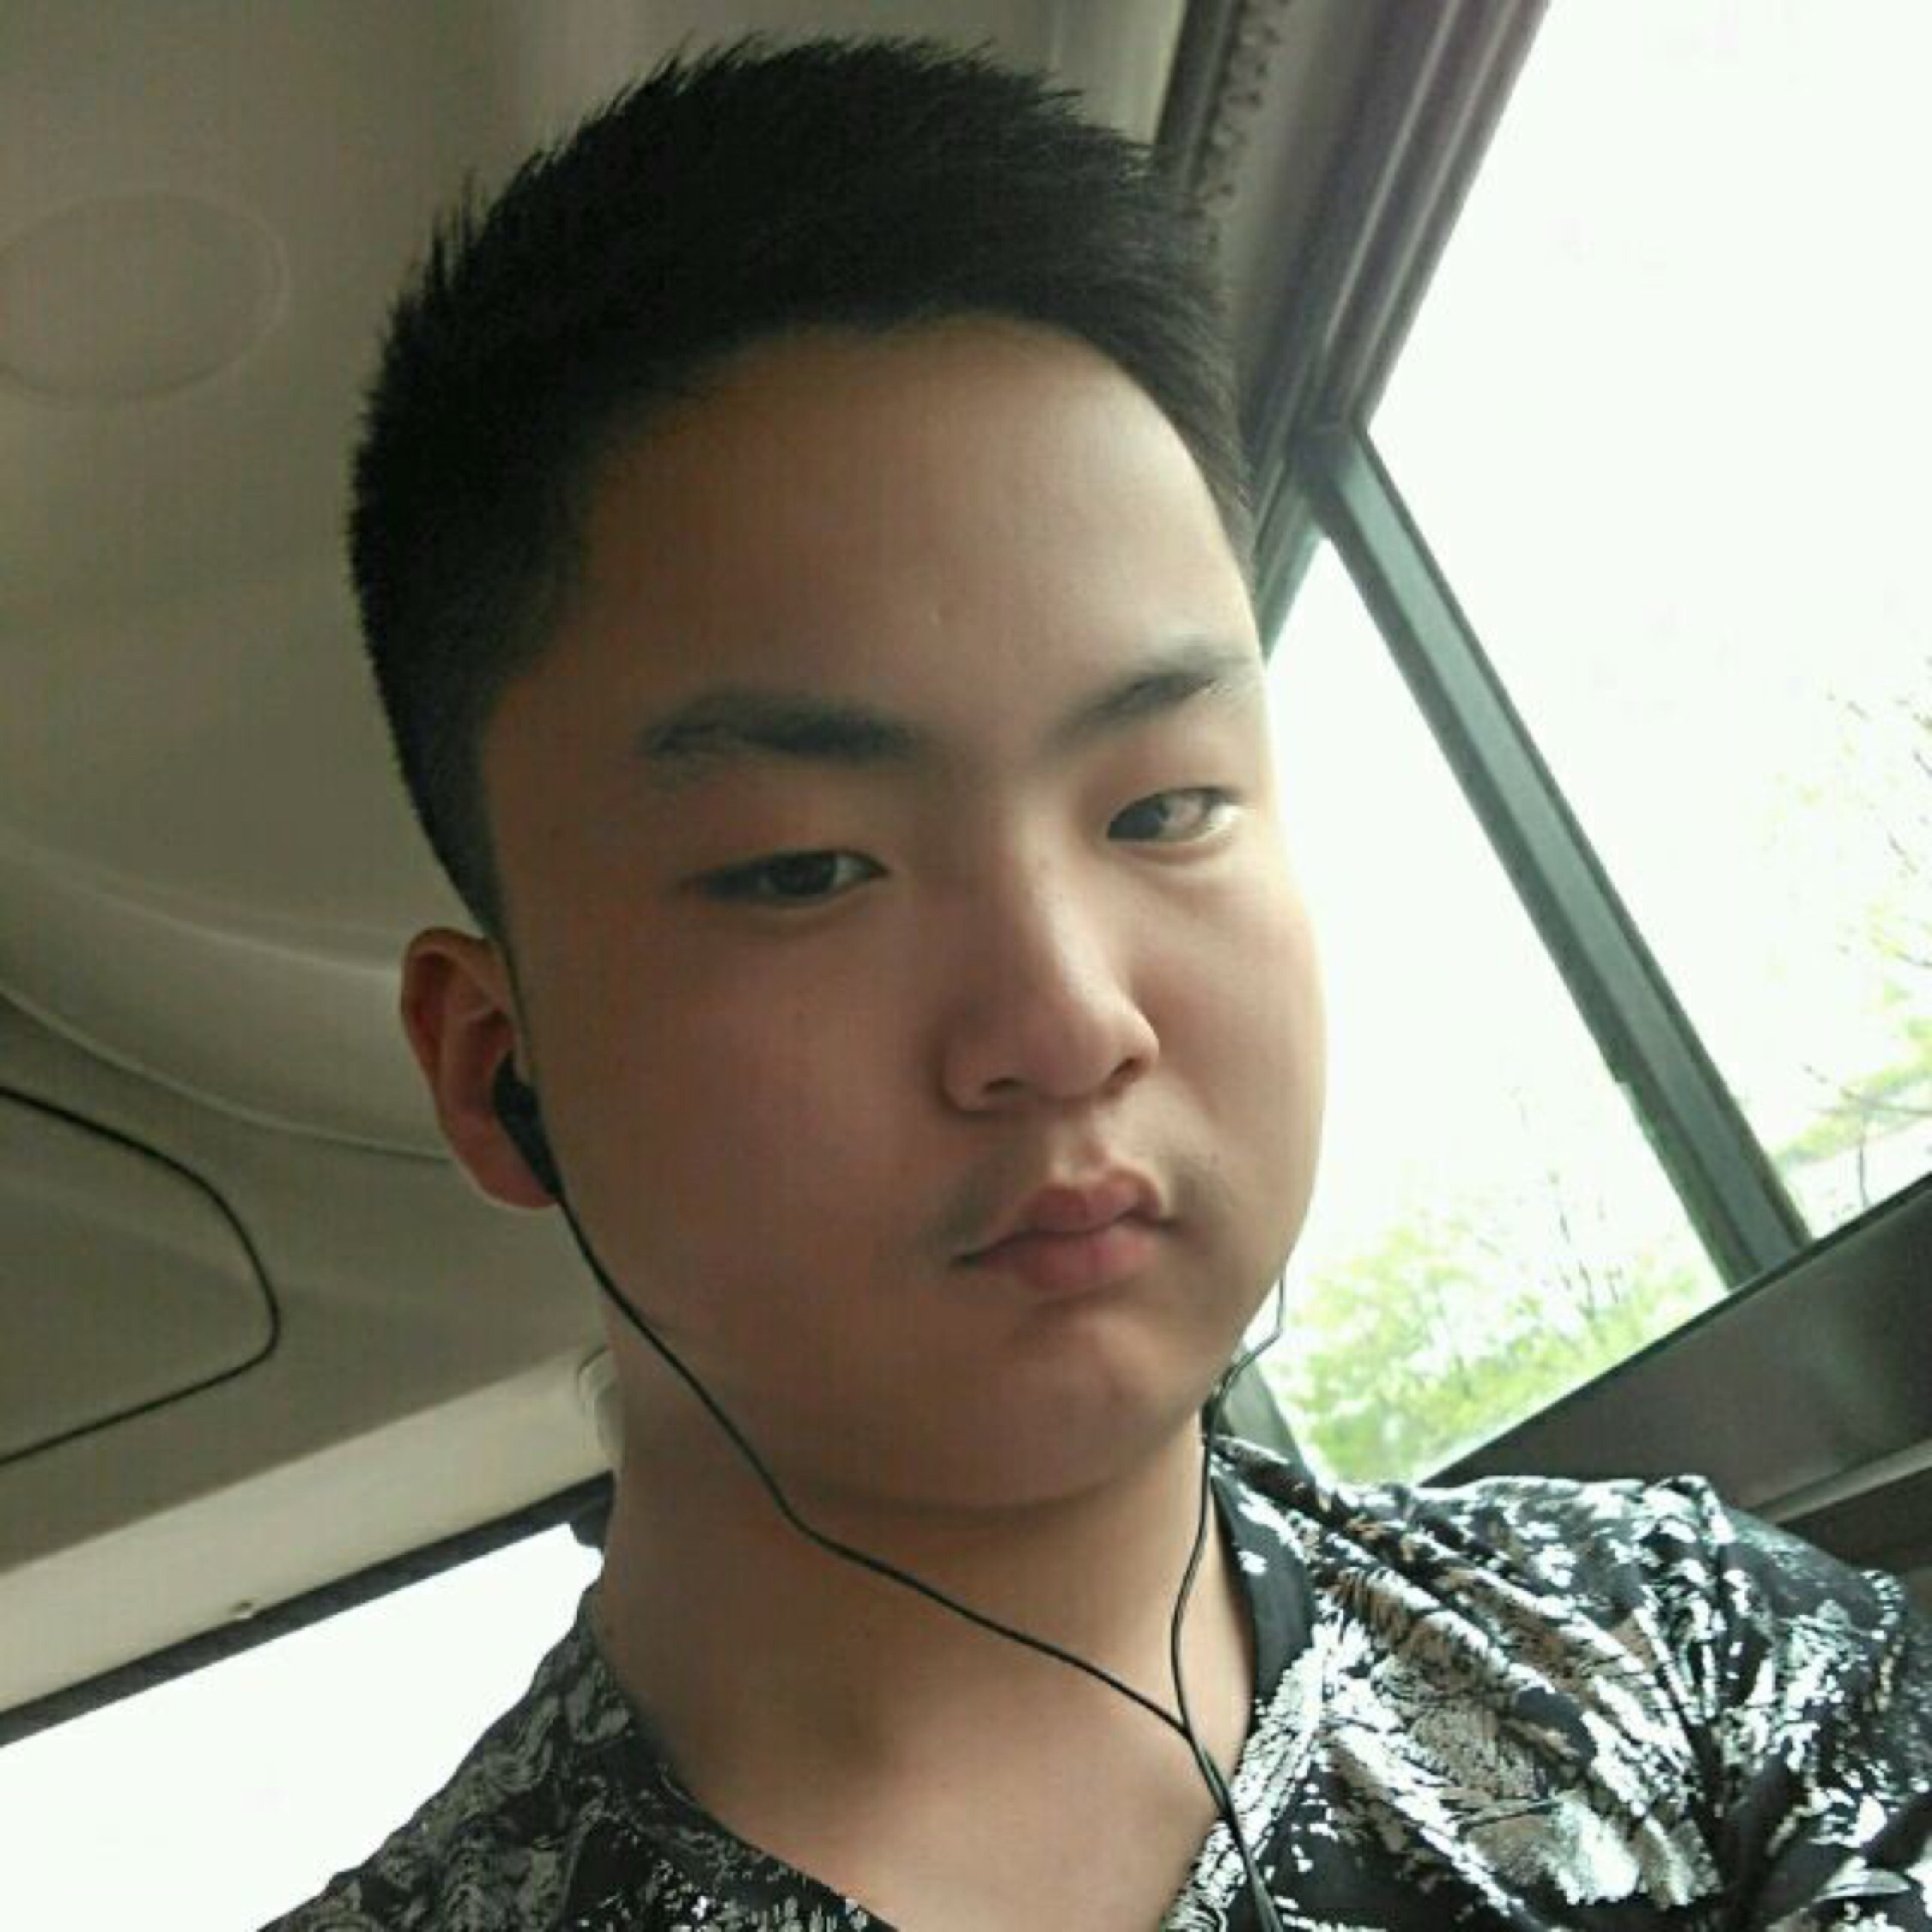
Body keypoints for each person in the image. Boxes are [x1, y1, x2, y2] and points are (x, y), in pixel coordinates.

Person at [264, 33, 1932, 1932]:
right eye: (807, 869)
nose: (1066, 1024)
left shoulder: (1692, 1662)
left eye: (1163, 807)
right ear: (498, 1071)